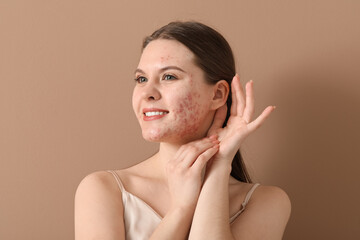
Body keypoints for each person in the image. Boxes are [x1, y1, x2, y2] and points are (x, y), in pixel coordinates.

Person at [74, 21, 291, 240]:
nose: (147, 93)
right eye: (141, 79)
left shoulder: (265, 202)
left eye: (169, 76)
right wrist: (181, 208)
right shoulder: (103, 190)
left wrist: (218, 167)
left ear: (217, 95)